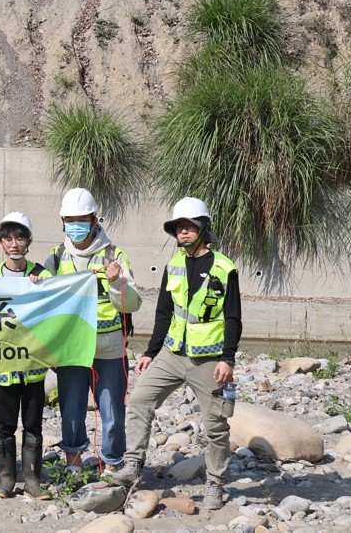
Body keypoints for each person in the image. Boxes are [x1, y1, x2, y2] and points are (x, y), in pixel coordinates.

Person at [112, 198, 241, 511]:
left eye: (189, 226)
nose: (183, 232)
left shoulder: (224, 268)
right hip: (172, 354)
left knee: (215, 426)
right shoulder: (173, 266)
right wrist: (151, 351)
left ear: (203, 228)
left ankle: (215, 483)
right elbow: (164, 312)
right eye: (178, 227)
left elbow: (233, 317)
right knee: (140, 399)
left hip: (209, 360)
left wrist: (228, 359)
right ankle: (133, 465)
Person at [41, 188, 141, 473]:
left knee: (111, 411)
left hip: (109, 348)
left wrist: (116, 282)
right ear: (62, 221)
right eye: (70, 220)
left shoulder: (114, 255)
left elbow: (133, 303)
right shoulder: (57, 255)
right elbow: (44, 293)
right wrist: (37, 281)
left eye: (81, 219)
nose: (75, 225)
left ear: (94, 220)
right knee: (71, 408)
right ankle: (73, 466)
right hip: (72, 349)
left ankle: (112, 465)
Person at [0, 212, 50, 500]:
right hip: (3, 367)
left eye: (20, 237)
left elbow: (55, 315)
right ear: (0, 242)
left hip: (34, 367)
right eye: (7, 238)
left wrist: (41, 287)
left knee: (33, 425)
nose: (14, 244)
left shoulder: (43, 275)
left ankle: (32, 480)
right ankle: (7, 479)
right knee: (5, 425)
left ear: (29, 241)